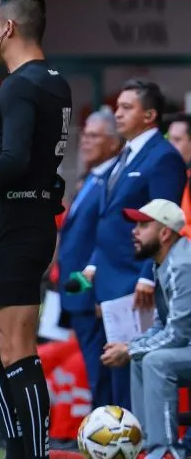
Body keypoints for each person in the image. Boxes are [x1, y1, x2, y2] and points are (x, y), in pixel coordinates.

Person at [0, 0, 73, 459]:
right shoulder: (47, 82)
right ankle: (18, 446)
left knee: (17, 346)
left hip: (18, 220)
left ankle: (31, 452)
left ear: (8, 28)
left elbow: (15, 158)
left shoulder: (25, 84)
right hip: (18, 220)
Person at [77, 79, 186, 411]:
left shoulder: (163, 156)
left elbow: (165, 219)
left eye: (127, 108)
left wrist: (147, 276)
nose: (118, 114)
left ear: (150, 115)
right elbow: (110, 218)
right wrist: (94, 264)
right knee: (112, 369)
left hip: (134, 280)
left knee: (133, 368)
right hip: (109, 277)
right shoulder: (126, 154)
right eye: (117, 107)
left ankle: (139, 443)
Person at [101, 199, 191, 459]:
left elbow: (177, 335)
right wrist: (131, 348)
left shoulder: (181, 266)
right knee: (143, 358)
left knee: (155, 362)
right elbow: (163, 324)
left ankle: (166, 452)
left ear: (165, 233)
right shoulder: (164, 262)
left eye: (143, 225)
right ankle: (147, 443)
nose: (134, 231)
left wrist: (129, 348)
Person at [58, 108, 121, 409]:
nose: (85, 141)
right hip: (78, 292)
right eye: (84, 134)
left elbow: (107, 238)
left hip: (93, 293)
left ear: (113, 142)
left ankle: (108, 439)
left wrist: (94, 291)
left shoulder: (112, 178)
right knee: (94, 369)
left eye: (94, 135)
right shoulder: (93, 178)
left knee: (102, 371)